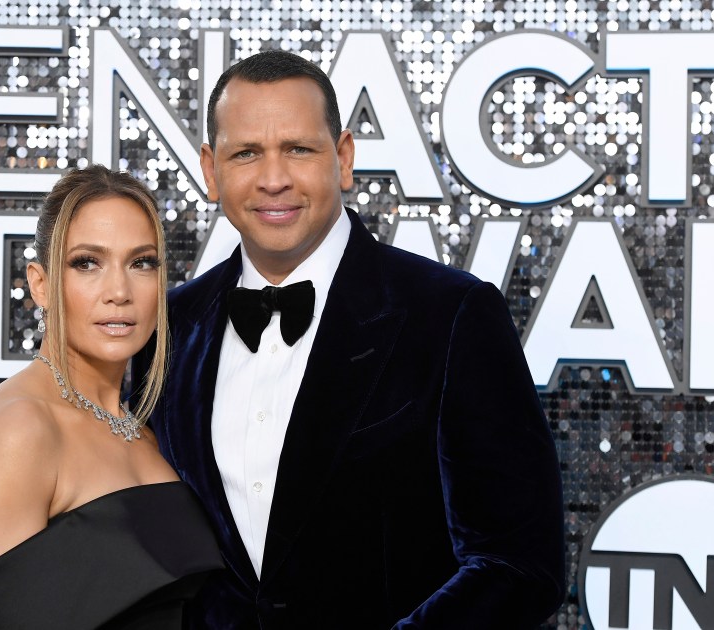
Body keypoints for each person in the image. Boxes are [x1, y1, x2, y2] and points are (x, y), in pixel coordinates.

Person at [135, 51, 565, 628]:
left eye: (298, 149)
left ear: (343, 158)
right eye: (246, 153)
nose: (273, 178)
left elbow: (520, 564)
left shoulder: (451, 314)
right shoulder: (166, 328)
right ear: (212, 171)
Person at [0, 165, 223, 629]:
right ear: (40, 284)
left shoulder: (145, 430)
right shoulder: (19, 429)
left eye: (141, 262)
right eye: (87, 263)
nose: (119, 292)